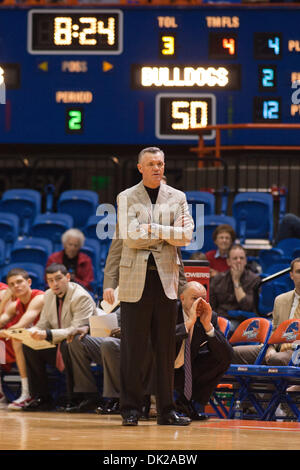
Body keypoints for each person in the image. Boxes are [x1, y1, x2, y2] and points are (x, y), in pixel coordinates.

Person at [117, 146, 194, 426]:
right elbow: (131, 238)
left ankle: (166, 411)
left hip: (166, 281)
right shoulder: (126, 197)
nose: (156, 168)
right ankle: (130, 409)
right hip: (135, 280)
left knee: (165, 349)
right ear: (140, 167)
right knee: (132, 350)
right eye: (150, 164)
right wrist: (166, 236)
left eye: (160, 163)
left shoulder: (178, 197)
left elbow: (186, 236)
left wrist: (152, 229)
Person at [22, 263, 97, 412]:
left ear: (68, 277)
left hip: (83, 343)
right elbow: (44, 322)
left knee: (68, 344)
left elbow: (75, 329)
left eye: (58, 279)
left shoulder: (80, 296)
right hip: (60, 340)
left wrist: (48, 334)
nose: (54, 284)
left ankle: (79, 398)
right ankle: (41, 397)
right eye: (50, 280)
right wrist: (33, 331)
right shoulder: (49, 294)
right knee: (29, 345)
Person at [174, 281, 233, 420]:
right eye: (195, 298)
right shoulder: (169, 311)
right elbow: (162, 340)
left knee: (222, 359)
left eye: (203, 299)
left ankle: (191, 405)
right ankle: (148, 403)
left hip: (186, 370)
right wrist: (188, 323)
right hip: (161, 368)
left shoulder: (209, 316)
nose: (199, 304)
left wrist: (208, 326)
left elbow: (227, 355)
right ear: (182, 298)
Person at [233, 257, 300, 367]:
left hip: (296, 350)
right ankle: (241, 384)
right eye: (298, 272)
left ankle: (277, 384)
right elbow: (274, 330)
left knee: (277, 359)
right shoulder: (281, 300)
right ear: (291, 275)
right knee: (233, 353)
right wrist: (270, 347)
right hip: (278, 348)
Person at [0, 269, 44, 410]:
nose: (16, 286)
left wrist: (6, 333)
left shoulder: (39, 297)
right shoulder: (15, 305)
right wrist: (5, 300)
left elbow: (21, 324)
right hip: (33, 344)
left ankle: (26, 393)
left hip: (55, 340)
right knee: (17, 337)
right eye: (12, 284)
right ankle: (18, 393)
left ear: (29, 282)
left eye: (19, 282)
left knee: (17, 337)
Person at [210, 244, 261, 335]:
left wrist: (236, 281)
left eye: (241, 258)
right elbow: (212, 305)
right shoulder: (218, 279)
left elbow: (247, 305)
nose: (238, 261)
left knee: (225, 329)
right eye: (235, 258)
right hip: (220, 319)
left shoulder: (254, 280)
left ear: (245, 261)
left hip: (242, 321)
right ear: (228, 261)